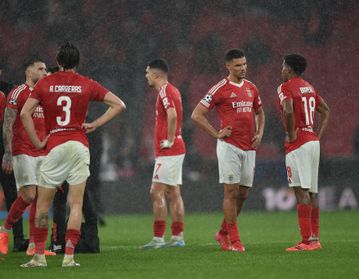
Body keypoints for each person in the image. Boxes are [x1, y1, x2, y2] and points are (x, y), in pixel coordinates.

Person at [20, 42, 125, 267]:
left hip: (56, 145)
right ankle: (69, 257)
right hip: (79, 145)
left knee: (42, 207)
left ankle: (39, 257)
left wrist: (38, 141)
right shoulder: (86, 83)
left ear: (58, 62)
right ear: (77, 63)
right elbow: (119, 105)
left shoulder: (46, 82)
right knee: (76, 205)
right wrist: (96, 123)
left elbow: (25, 113)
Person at [191, 49, 265, 252]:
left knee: (243, 195)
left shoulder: (251, 88)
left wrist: (259, 133)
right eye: (239, 65)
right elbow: (197, 114)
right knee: (230, 192)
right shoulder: (219, 89)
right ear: (228, 67)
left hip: (249, 147)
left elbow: (260, 112)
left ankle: (222, 233)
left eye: (245, 64)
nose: (243, 68)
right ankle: (235, 240)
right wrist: (216, 133)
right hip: (229, 146)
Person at [276, 54, 329, 251]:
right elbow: (326, 111)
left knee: (300, 191)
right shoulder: (309, 87)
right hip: (313, 142)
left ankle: (306, 241)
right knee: (312, 191)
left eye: (282, 67)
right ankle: (315, 239)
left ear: (289, 69)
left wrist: (290, 134)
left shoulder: (285, 87)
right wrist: (317, 135)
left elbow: (288, 109)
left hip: (298, 145)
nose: (281, 71)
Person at [0, 58, 51, 256]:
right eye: (41, 69)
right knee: (29, 195)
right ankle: (4, 230)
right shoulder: (18, 93)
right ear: (29, 73)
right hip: (23, 151)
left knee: (42, 200)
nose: (45, 72)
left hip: (43, 151)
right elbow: (7, 123)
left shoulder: (45, 95)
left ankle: (36, 247)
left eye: (46, 69)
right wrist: (8, 151)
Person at [142, 59, 186, 249]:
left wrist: (169, 139)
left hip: (169, 150)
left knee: (156, 191)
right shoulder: (172, 90)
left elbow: (173, 115)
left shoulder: (165, 91)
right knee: (173, 192)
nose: (146, 76)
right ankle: (177, 238)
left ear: (156, 75)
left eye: (147, 72)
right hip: (175, 149)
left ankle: (158, 238)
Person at [0, 66, 29, 252]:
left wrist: (9, 152)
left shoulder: (9, 91)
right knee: (12, 193)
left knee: (12, 193)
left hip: (4, 149)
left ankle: (19, 239)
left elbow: (13, 121)